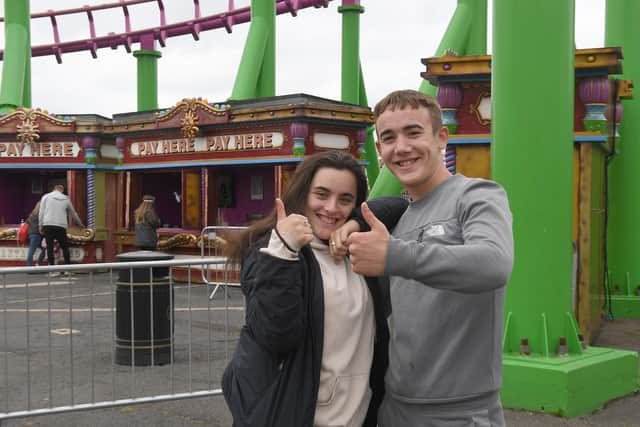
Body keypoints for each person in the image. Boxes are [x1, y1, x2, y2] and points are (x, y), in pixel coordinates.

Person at [330, 90, 514, 426]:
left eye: (413, 133)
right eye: (388, 138)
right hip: (394, 405)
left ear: (441, 137)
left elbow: (494, 263)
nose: (401, 147)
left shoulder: (476, 195)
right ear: (380, 152)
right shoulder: (396, 219)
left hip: (459, 413)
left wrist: (394, 255)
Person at [221, 151, 408, 427]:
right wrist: (283, 250)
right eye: (321, 194)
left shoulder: (352, 248)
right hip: (295, 412)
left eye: (345, 199)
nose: (332, 208)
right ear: (301, 193)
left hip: (355, 413)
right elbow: (276, 335)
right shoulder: (270, 248)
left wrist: (356, 221)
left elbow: (398, 204)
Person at [39, 184, 85, 274]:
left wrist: (40, 225)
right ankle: (67, 269)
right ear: (62, 190)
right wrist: (80, 223)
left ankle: (51, 270)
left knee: (50, 247)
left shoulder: (46, 197)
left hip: (48, 224)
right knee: (64, 247)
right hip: (61, 225)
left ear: (54, 189)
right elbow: (73, 213)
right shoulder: (66, 199)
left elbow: (41, 212)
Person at [25, 201, 46, 267]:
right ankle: (30, 266)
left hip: (30, 234)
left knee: (35, 250)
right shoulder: (41, 215)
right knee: (35, 250)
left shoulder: (32, 214)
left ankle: (35, 264)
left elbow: (27, 222)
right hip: (36, 234)